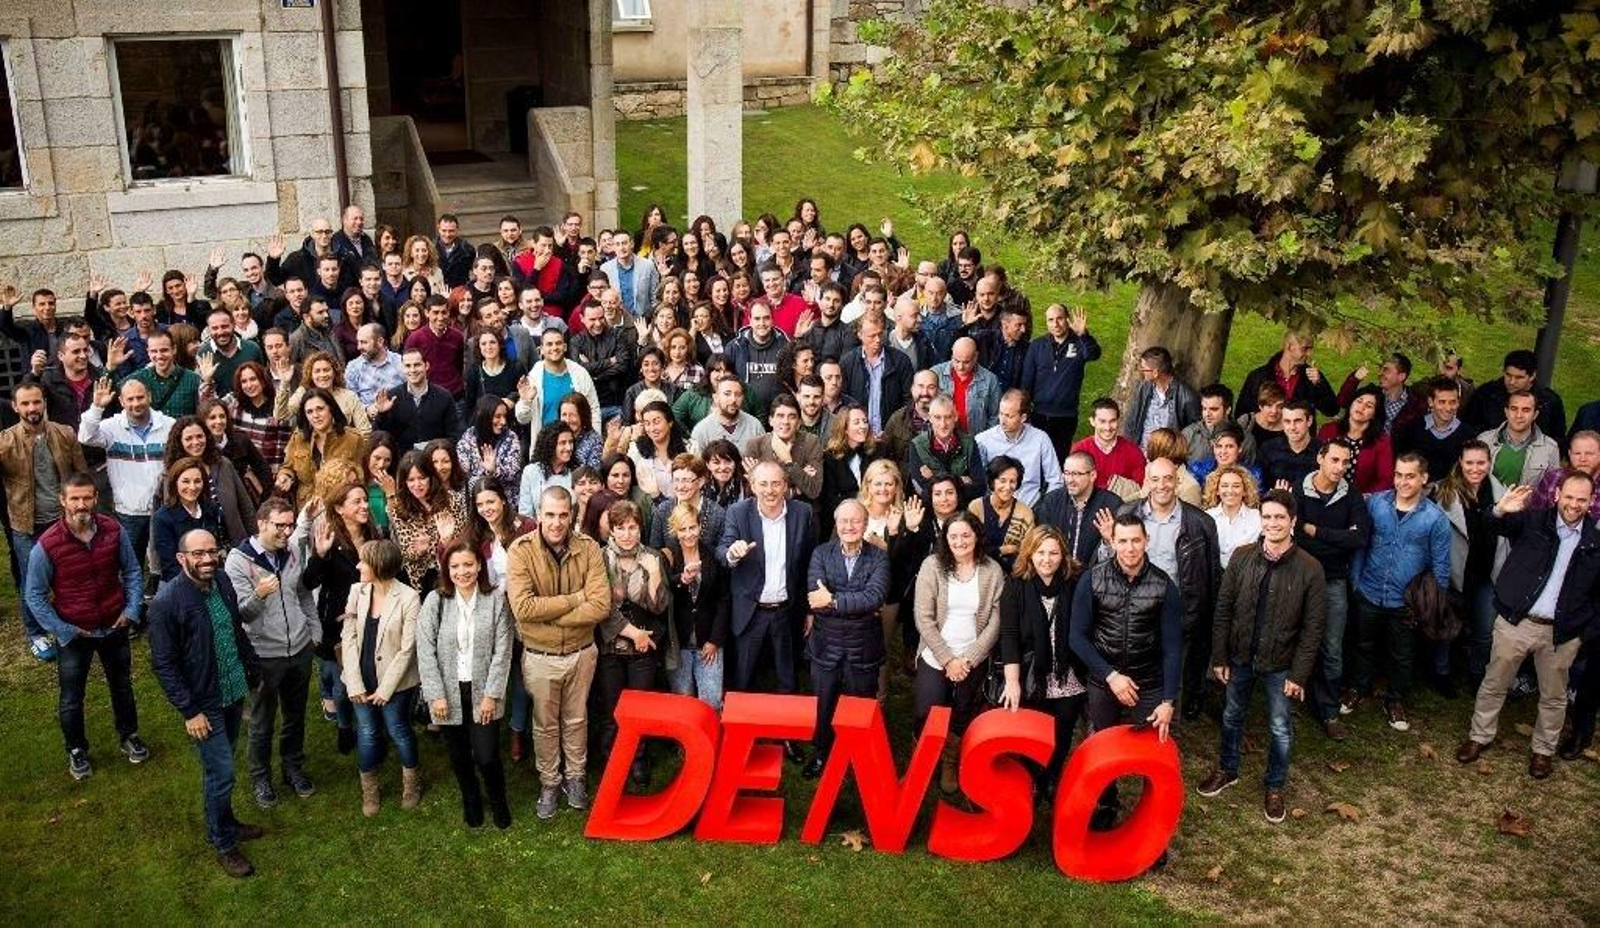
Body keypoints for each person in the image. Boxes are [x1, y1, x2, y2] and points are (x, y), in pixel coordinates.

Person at [1455, 474, 1600, 779]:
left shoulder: (1594, 543)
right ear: (1558, 494)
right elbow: (1491, 527)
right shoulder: (1533, 521)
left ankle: (1543, 751)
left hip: (1561, 633)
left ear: (1591, 502)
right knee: (1494, 682)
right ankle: (1479, 736)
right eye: (1569, 497)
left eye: (1582, 500)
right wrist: (1499, 509)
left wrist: (1582, 633)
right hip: (1516, 621)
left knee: (1554, 695)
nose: (1574, 505)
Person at [1196, 490, 1327, 823]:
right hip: (1239, 657)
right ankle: (1228, 769)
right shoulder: (1241, 558)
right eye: (1267, 517)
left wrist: (1298, 675)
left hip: (1281, 664)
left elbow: (1313, 629)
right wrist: (1220, 656)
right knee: (1231, 716)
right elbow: (1223, 610)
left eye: (1280, 517)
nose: (1272, 523)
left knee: (1280, 728)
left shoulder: (1310, 569)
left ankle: (1274, 786)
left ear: (1293, 521)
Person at [147, 528, 264, 877]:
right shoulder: (168, 602)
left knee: (222, 768)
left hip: (230, 691)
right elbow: (164, 664)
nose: (207, 559)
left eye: (212, 551)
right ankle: (224, 843)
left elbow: (235, 630)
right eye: (198, 554)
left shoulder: (223, 582)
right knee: (222, 773)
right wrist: (190, 710)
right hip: (203, 703)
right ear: (182, 558)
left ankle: (227, 822)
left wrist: (252, 668)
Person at [22, 473, 148, 780]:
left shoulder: (113, 530)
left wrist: (131, 611)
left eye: (87, 498)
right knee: (71, 697)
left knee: (122, 687)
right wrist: (63, 630)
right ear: (63, 501)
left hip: (114, 625)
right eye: (75, 499)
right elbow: (34, 596)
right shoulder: (47, 545)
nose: (82, 505)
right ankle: (76, 750)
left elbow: (132, 572)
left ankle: (129, 735)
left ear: (95, 499)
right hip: (74, 634)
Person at [1070, 513, 1182, 831]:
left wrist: (1168, 700)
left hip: (1148, 683)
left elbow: (1173, 648)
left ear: (1146, 541)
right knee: (1101, 748)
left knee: (1153, 755)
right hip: (1104, 681)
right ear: (1112, 541)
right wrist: (1111, 676)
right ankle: (1106, 802)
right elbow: (1077, 637)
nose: (1130, 548)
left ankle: (1152, 822)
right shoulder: (1092, 579)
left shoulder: (1164, 586)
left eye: (1136, 540)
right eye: (1123, 541)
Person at [506, 486, 610, 819]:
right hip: (540, 656)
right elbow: (522, 607)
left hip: (581, 652)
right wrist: (574, 600)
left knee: (577, 719)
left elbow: (601, 605)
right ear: (539, 515)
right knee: (545, 724)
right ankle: (549, 781)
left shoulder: (590, 548)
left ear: (572, 515)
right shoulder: (520, 551)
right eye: (550, 515)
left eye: (564, 515)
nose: (557, 522)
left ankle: (576, 777)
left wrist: (550, 613)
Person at [224, 497, 321, 808]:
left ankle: (293, 768)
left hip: (300, 649)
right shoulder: (238, 561)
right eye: (280, 526)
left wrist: (314, 632)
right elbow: (243, 615)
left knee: (295, 716)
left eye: (289, 525)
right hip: (265, 656)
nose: (286, 531)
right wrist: (259, 594)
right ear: (261, 524)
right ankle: (260, 778)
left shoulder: (291, 551)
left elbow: (302, 592)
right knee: (262, 721)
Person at [1111, 456, 1222, 720]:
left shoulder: (1200, 523)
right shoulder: (1126, 514)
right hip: (1133, 610)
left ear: (1177, 481)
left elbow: (1210, 576)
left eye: (1168, 478)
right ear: (1146, 481)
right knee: (1132, 674)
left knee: (1173, 676)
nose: (1162, 485)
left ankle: (1166, 733)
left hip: (1177, 613)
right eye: (1155, 479)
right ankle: (1129, 730)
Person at [1345, 454, 1451, 732]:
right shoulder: (1376, 504)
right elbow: (1361, 544)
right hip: (1369, 589)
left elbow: (1440, 566)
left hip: (1406, 600)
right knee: (1362, 644)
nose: (1403, 482)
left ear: (1424, 478)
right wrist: (1355, 581)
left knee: (1402, 654)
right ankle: (1358, 688)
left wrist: (1429, 605)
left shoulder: (1435, 519)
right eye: (1399, 475)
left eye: (1410, 476)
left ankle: (1394, 699)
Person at [417, 539, 514, 828]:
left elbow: (503, 650)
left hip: (482, 689)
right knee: (458, 756)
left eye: (468, 565)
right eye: (455, 566)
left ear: (480, 565)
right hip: (447, 691)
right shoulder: (436, 601)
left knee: (486, 755)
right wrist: (435, 694)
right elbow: (425, 649)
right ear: (446, 569)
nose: (462, 572)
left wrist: (491, 694)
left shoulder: (495, 600)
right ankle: (470, 798)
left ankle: (498, 799)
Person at [913, 510, 1005, 794]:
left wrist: (970, 658)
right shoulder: (932, 566)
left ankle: (950, 760)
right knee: (927, 709)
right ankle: (923, 758)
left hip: (972, 657)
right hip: (936, 654)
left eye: (966, 535)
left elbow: (996, 620)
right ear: (945, 538)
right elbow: (923, 618)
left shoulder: (992, 570)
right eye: (953, 536)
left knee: (963, 709)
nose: (960, 541)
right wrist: (947, 660)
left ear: (976, 536)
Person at [802, 499, 891, 779]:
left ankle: (858, 756)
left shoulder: (879, 557)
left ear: (865, 525)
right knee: (823, 704)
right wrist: (853, 605)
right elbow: (816, 598)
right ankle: (821, 754)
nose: (849, 526)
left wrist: (834, 600)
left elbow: (875, 597)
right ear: (836, 524)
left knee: (861, 705)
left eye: (856, 521)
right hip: (826, 644)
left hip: (862, 647)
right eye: (844, 521)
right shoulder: (820, 553)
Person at [0, 382, 90, 660]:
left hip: (63, 521)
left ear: (44, 403)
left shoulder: (64, 434)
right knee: (32, 583)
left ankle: (75, 621)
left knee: (73, 575)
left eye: (36, 402)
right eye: (25, 404)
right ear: (15, 407)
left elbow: (81, 475)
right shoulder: (5, 441)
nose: (32, 409)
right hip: (26, 524)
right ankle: (36, 633)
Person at [996, 525, 1086, 801]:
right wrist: (1012, 682)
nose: (1047, 559)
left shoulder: (1075, 583)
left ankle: (1052, 776)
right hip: (1032, 673)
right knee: (1033, 733)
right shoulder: (1015, 585)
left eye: (1054, 553)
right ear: (1030, 554)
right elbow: (1009, 635)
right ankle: (1033, 778)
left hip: (1067, 673)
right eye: (1040, 552)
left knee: (1062, 731)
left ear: (1063, 555)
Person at [718, 461, 817, 704]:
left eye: (776, 483)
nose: (770, 490)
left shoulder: (802, 513)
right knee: (743, 678)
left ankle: (786, 737)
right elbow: (722, 551)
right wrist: (733, 552)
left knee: (787, 679)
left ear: (785, 485)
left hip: (787, 610)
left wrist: (809, 609)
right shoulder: (738, 513)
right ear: (752, 486)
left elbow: (809, 563)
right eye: (763, 484)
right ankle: (742, 734)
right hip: (751, 611)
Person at [1290, 438, 1369, 741]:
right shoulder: (1299, 490)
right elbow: (1294, 533)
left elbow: (1359, 539)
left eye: (1345, 462)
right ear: (1320, 459)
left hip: (1334, 578)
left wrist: (1316, 530)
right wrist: (1337, 536)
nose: (1340, 467)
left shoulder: (1352, 497)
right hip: (1299, 575)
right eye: (1335, 460)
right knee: (1296, 639)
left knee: (1332, 647)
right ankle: (1293, 698)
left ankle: (1328, 709)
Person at [339, 538, 423, 815]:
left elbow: (407, 648)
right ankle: (370, 790)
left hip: (396, 684)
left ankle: (411, 784)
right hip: (361, 680)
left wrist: (386, 689)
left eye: (364, 561)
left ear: (379, 565)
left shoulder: (409, 598)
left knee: (398, 730)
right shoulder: (357, 592)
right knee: (367, 732)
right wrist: (354, 682)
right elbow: (348, 639)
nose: (358, 565)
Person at [594, 501, 671, 788]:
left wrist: (654, 575)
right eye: (620, 528)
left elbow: (660, 606)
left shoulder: (652, 556)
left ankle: (638, 759)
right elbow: (601, 607)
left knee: (639, 708)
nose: (627, 534)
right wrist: (631, 634)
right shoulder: (600, 558)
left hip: (645, 643)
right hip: (611, 643)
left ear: (640, 528)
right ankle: (611, 760)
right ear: (611, 531)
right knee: (613, 709)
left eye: (632, 527)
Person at [303, 482, 373, 755]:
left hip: (368, 620)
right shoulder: (329, 539)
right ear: (339, 508)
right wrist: (319, 556)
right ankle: (345, 725)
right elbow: (309, 582)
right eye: (356, 501)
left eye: (365, 500)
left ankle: (370, 726)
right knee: (343, 686)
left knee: (366, 676)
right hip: (337, 626)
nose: (364, 506)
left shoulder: (375, 534)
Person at [79, 377, 175, 577]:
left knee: (166, 562)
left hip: (163, 508)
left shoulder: (169, 425)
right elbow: (86, 436)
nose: (135, 403)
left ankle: (160, 600)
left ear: (149, 397)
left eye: (140, 397)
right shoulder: (111, 427)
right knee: (131, 566)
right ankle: (134, 605)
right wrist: (96, 407)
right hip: (129, 511)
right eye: (130, 399)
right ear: (122, 402)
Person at [1430, 441, 1507, 693]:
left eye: (1481, 463)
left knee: (1484, 632)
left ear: (1489, 463)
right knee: (1447, 630)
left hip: (1486, 575)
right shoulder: (1442, 492)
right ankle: (1441, 673)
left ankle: (1477, 675)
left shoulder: (1501, 494)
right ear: (1460, 463)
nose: (1475, 469)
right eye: (1470, 463)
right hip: (1454, 574)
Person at [661, 502, 730, 711]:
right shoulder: (667, 556)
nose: (689, 534)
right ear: (675, 531)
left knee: (711, 702)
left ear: (700, 527)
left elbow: (723, 600)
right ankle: (684, 744)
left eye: (692, 527)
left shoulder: (712, 555)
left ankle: (710, 743)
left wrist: (715, 640)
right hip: (678, 642)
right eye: (683, 529)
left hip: (708, 641)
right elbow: (662, 594)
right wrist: (682, 580)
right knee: (683, 701)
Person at [1461, 349, 1567, 449]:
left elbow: (1558, 439)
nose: (1511, 382)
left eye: (1519, 377)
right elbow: (1468, 427)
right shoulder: (1486, 394)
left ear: (1532, 376)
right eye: (1508, 375)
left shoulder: (1549, 402)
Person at [276, 388, 364, 507]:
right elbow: (287, 467)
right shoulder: (298, 438)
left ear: (331, 408)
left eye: (320, 409)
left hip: (340, 507)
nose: (315, 415)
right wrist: (285, 476)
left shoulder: (353, 439)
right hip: (306, 508)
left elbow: (360, 478)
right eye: (310, 412)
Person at [976, 389, 1063, 508]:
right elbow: (978, 481)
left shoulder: (1040, 439)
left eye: (1009, 416)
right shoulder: (982, 440)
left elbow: (1055, 480)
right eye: (1001, 414)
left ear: (1023, 418)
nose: (1003, 421)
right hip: (994, 509)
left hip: (1031, 508)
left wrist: (1045, 508)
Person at [1035, 451, 1123, 569]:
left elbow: (1123, 554)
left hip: (1095, 576)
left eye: (1076, 474)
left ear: (1092, 476)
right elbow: (1040, 542)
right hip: (1057, 572)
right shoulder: (1052, 501)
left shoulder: (1112, 504)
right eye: (1067, 473)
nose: (1070, 480)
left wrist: (1109, 540)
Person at [153, 457, 228, 582]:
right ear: (175, 483)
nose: (192, 487)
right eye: (186, 481)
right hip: (181, 582)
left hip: (212, 577)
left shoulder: (211, 509)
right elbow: (169, 565)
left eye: (197, 481)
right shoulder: (163, 517)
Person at [841, 312, 914, 436]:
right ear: (860, 335)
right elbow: (843, 401)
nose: (878, 340)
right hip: (858, 435)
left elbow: (909, 400)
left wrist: (897, 430)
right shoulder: (848, 363)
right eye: (872, 336)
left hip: (892, 434)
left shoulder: (900, 361)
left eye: (881, 334)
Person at [374, 349, 464, 449]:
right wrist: (382, 414)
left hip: (434, 459)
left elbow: (453, 435)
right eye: (407, 366)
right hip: (402, 460)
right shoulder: (392, 397)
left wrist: (432, 449)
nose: (412, 370)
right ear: (402, 368)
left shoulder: (444, 397)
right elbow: (380, 437)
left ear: (426, 366)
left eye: (417, 365)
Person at [1237, 330, 1339, 418]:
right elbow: (1241, 414)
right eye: (1305, 349)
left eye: (1310, 349)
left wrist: (1319, 385)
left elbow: (1332, 410)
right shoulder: (1258, 377)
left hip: (1299, 439)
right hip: (1264, 438)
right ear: (1289, 347)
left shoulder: (1312, 376)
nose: (1309, 354)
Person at [744, 393, 823, 503]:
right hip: (764, 513)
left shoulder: (811, 443)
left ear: (799, 422)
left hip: (800, 511)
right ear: (770, 420)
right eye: (780, 416)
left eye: (792, 417)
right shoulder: (754, 445)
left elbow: (814, 490)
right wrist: (795, 490)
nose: (785, 421)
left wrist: (788, 462)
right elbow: (750, 492)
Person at [908, 395, 988, 501]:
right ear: (930, 418)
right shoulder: (917, 444)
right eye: (937, 417)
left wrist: (934, 477)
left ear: (956, 417)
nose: (943, 424)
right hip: (931, 511)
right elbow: (922, 490)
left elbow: (980, 488)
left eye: (948, 417)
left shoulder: (969, 443)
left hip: (963, 511)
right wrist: (960, 480)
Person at [1317, 385, 1394, 495]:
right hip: (1324, 493)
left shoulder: (1381, 441)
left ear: (1374, 414)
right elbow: (1314, 463)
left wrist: (1364, 497)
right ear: (1351, 404)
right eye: (1359, 401)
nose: (1361, 407)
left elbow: (1386, 479)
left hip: (1360, 499)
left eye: (1369, 406)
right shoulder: (1328, 430)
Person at [1479, 390, 1560, 491]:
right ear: (1506, 412)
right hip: (1489, 506)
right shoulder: (1484, 440)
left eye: (1526, 410)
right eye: (1514, 409)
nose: (1519, 415)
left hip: (1529, 507)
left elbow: (1551, 490)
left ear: (1535, 415)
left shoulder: (1550, 448)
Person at [1124, 347, 1200, 453]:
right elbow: (1132, 421)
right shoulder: (1143, 388)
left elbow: (1194, 431)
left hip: (1168, 456)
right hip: (1141, 452)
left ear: (1155, 373)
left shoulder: (1186, 396)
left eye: (1144, 369)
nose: (1141, 372)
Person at [1393, 376, 1469, 483]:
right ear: (1430, 402)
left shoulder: (1467, 435)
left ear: (1458, 403)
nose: (1448, 408)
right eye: (1442, 402)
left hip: (1450, 493)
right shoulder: (1411, 429)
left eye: (1452, 402)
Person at [219, 361, 292, 471]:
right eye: (244, 381)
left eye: (253, 379)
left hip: (267, 472)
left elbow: (281, 446)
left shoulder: (276, 408)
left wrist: (278, 474)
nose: (249, 385)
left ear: (262, 381)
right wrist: (207, 381)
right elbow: (211, 409)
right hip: (238, 472)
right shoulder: (234, 403)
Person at [456, 398, 524, 511]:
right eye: (497, 416)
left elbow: (513, 472)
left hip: (506, 504)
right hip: (477, 505)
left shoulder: (510, 438)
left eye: (504, 416)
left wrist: (494, 471)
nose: (503, 422)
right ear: (484, 416)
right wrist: (484, 475)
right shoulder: (468, 438)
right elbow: (463, 474)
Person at [970, 455, 1034, 574]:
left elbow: (1028, 551)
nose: (1008, 487)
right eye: (1002, 480)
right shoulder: (976, 507)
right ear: (992, 481)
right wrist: (1004, 550)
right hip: (978, 573)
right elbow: (969, 546)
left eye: (1013, 481)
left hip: (1013, 576)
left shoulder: (1025, 513)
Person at [1070, 398, 1145, 495]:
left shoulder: (1133, 452)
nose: (1108, 427)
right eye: (1102, 421)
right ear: (1092, 421)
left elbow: (1141, 490)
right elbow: (1073, 485)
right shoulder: (1079, 450)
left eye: (1112, 421)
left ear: (1118, 421)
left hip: (1122, 506)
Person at [931, 337, 1001, 438]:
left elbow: (995, 416)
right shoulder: (936, 374)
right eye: (956, 360)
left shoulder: (990, 380)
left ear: (976, 356)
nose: (960, 367)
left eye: (966, 362)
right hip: (942, 439)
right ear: (952, 353)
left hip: (975, 440)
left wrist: (986, 440)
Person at [123, 329, 201, 418]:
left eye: (164, 350)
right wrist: (111, 367)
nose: (159, 356)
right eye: (154, 351)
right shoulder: (138, 378)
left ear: (174, 349)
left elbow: (203, 412)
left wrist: (208, 382)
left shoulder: (193, 379)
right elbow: (112, 392)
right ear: (148, 352)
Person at [1204, 465, 1262, 570]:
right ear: (1217, 490)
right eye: (1224, 486)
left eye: (1236, 486)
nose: (1230, 491)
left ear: (1245, 491)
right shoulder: (1206, 517)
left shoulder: (1257, 518)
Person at [1184, 383, 1254, 469]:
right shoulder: (1189, 434)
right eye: (1204, 408)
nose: (1207, 414)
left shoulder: (1246, 440)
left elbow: (1249, 476)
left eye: (1214, 409)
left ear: (1228, 410)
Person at [1257, 400, 1320, 492]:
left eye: (1297, 421)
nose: (1292, 427)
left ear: (1309, 421)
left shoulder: (1323, 452)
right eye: (1287, 421)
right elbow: (1259, 487)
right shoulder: (1268, 449)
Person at [689, 376, 765, 452]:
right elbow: (696, 462)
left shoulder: (755, 426)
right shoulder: (701, 430)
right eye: (727, 394)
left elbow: (765, 459)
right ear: (716, 398)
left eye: (738, 395)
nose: (733, 400)